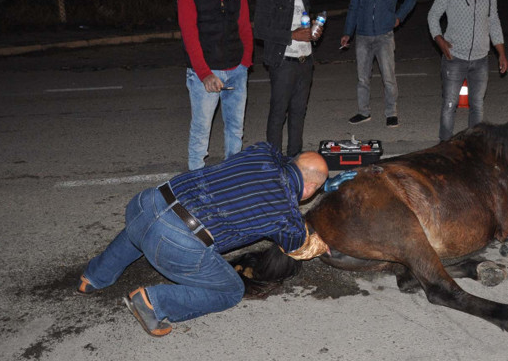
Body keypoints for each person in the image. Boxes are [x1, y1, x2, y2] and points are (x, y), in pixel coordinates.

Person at [76, 143, 355, 337]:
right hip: (176, 241)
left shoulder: (262, 153)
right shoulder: (284, 212)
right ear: (309, 189)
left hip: (146, 202)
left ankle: (93, 276)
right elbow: (300, 246)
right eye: (314, 190)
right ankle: (154, 302)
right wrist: (322, 240)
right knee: (230, 291)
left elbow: (280, 156)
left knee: (138, 232)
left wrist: (314, 179)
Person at [177, 0, 253, 170]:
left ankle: (232, 175)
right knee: (201, 131)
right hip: (206, 73)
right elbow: (189, 35)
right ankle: (196, 180)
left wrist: (245, 63)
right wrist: (204, 73)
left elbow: (244, 27)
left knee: (235, 128)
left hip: (236, 70)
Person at [427, 0, 508, 141]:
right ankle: (445, 145)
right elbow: (433, 16)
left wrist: (501, 53)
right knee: (449, 104)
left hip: (481, 59)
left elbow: (494, 23)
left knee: (477, 104)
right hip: (454, 58)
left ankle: (474, 146)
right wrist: (439, 40)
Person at [254, 0, 322, 157]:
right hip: (284, 61)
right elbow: (260, 30)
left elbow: (304, 20)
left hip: (305, 59)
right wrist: (292, 35)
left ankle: (294, 157)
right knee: (278, 113)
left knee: (299, 112)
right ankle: (274, 160)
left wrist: (313, 31)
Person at [341, 0, 417, 128]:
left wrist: (399, 17)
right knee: (362, 78)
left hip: (384, 35)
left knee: (388, 77)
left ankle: (391, 113)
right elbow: (353, 8)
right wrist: (347, 32)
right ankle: (363, 112)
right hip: (363, 35)